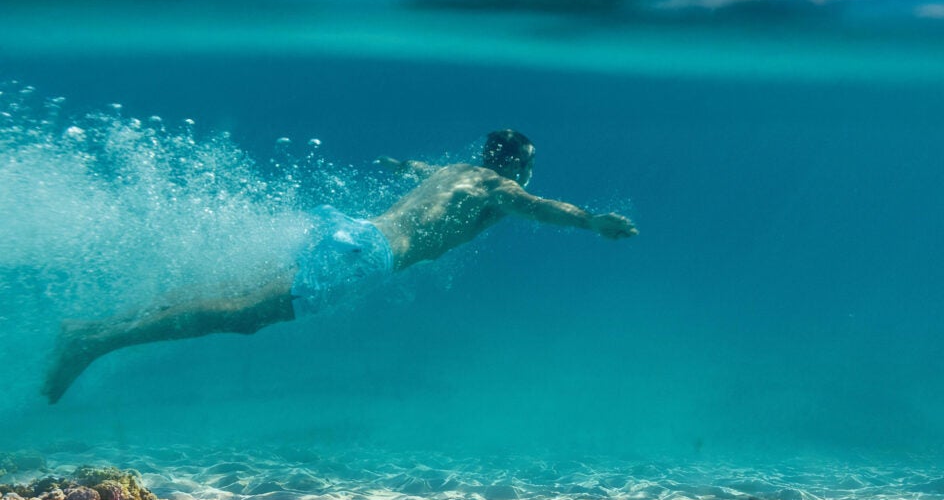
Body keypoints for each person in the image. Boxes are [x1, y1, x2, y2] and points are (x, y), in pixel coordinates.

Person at [42, 130, 637, 404]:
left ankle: (91, 329)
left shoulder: (455, 171)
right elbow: (543, 208)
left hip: (352, 232)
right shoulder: (498, 187)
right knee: (241, 315)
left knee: (231, 293)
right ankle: (94, 343)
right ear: (519, 167)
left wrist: (397, 162)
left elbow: (416, 168)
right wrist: (594, 222)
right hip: (365, 258)